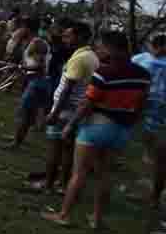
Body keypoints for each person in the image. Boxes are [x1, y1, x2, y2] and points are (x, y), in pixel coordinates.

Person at [42, 31, 150, 229]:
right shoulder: (143, 75)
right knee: (105, 175)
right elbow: (142, 105)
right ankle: (97, 219)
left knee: (79, 173)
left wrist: (70, 125)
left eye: (100, 47)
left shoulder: (104, 72)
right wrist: (130, 123)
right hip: (121, 130)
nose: (98, 51)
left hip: (96, 126)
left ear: (111, 48)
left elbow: (87, 104)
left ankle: (64, 215)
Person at [32, 21, 99, 193]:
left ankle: (47, 184)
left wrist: (55, 112)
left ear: (81, 37)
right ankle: (62, 185)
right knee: (67, 149)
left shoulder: (79, 58)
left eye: (69, 35)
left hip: (65, 110)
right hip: (76, 110)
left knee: (54, 148)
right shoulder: (92, 56)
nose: (65, 38)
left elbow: (68, 89)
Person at [4, 17, 52, 150]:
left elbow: (41, 67)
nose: (20, 30)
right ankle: (17, 138)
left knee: (25, 113)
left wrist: (21, 68)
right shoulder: (34, 42)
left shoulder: (38, 43)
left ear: (27, 28)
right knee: (26, 113)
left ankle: (16, 143)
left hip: (38, 82)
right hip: (35, 81)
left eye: (23, 27)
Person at [132, 34, 166, 209]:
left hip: (160, 118)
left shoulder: (142, 59)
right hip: (141, 113)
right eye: (155, 45)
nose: (157, 49)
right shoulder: (141, 58)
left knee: (160, 158)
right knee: (146, 154)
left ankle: (154, 196)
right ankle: (145, 191)